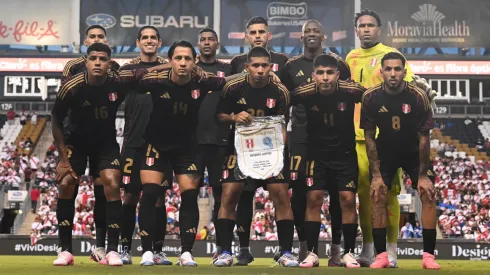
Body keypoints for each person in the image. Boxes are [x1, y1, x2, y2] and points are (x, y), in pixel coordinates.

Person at [346, 9, 436, 267]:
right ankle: (369, 249)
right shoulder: (350, 57)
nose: (366, 30)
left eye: (370, 26)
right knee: (366, 195)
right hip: (357, 135)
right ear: (356, 30)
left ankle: (392, 250)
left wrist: (422, 87)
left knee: (389, 195)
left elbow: (410, 85)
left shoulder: (390, 56)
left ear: (379, 29)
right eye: (361, 25)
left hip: (387, 138)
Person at [130, 40, 227, 267]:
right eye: (178, 58)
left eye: (188, 59)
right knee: (151, 192)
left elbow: (229, 83)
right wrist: (160, 67)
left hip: (187, 147)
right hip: (155, 144)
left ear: (195, 62)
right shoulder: (156, 81)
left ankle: (185, 253)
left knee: (190, 196)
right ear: (171, 60)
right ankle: (147, 252)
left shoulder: (202, 82)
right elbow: (131, 79)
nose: (183, 63)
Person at [213, 46, 298, 267]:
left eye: (264, 66)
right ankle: (224, 251)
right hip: (239, 150)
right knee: (229, 195)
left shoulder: (280, 91)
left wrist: (278, 156)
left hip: (271, 150)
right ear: (247, 67)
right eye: (256, 65)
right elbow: (219, 116)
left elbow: (282, 126)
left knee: (281, 195)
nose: (260, 70)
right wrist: (233, 117)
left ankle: (287, 251)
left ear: (271, 67)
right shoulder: (232, 87)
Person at [51, 43, 130, 266]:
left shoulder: (118, 83)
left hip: (105, 142)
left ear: (109, 63)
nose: (97, 62)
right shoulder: (72, 86)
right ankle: (65, 250)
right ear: (85, 61)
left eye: (103, 59)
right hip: (75, 141)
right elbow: (55, 119)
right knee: (66, 183)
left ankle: (112, 250)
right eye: (93, 58)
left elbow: (142, 77)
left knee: (113, 182)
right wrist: (63, 160)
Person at [360, 52, 439, 269]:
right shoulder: (370, 97)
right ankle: (382, 256)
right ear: (381, 72)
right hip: (385, 150)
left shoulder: (417, 96)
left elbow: (424, 137)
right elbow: (369, 136)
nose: (393, 73)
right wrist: (376, 175)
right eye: (389, 69)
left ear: (404, 71)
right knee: (377, 194)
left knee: (428, 193)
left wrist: (422, 175)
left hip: (413, 150)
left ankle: (428, 257)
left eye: (397, 69)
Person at [281, 19, 350, 265]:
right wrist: (284, 135)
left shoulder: (338, 64)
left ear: (324, 36)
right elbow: (283, 103)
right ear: (301, 38)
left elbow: (349, 98)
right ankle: (305, 248)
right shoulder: (291, 67)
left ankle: (336, 250)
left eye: (316, 32)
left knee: (337, 193)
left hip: (335, 139)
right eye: (307, 32)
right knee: (301, 193)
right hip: (301, 139)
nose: (311, 35)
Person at [291, 54, 364, 268]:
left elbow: (372, 98)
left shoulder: (351, 91)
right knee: (313, 199)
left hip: (345, 155)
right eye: (320, 73)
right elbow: (281, 99)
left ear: (338, 75)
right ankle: (312, 253)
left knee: (347, 200)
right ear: (313, 75)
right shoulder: (305, 92)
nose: (325, 78)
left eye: (330, 73)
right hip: (316, 156)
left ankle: (349, 253)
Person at [229, 16, 288, 266]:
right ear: (246, 36)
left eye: (261, 31)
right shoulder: (236, 63)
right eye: (252, 32)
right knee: (244, 196)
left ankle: (285, 250)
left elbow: (289, 97)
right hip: (245, 143)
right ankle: (243, 249)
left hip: (274, 141)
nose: (257, 35)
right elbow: (228, 96)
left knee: (281, 194)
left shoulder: (284, 63)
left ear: (269, 35)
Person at [117, 26, 172, 266]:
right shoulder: (127, 71)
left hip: (160, 144)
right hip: (132, 141)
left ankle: (157, 250)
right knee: (129, 197)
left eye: (153, 38)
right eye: (145, 38)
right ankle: (125, 249)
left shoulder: (172, 70)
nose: (149, 41)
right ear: (138, 42)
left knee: (158, 197)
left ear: (159, 42)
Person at [195, 28, 232, 260]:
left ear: (217, 44)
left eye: (211, 39)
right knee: (188, 195)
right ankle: (186, 250)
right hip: (193, 143)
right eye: (203, 40)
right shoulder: (189, 68)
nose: (207, 43)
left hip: (221, 142)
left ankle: (222, 248)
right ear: (198, 45)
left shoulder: (228, 70)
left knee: (222, 196)